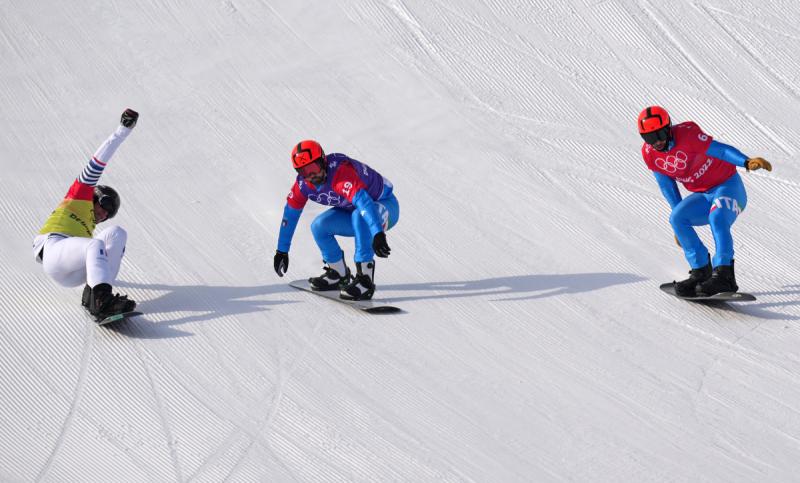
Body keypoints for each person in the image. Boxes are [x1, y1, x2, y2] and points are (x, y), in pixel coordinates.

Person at [638, 106, 772, 296]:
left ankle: (725, 276)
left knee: (717, 218)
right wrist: (681, 228)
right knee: (676, 218)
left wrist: (745, 161)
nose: (656, 141)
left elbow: (721, 151)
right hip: (704, 195)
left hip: (728, 187)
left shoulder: (687, 135)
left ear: (668, 128)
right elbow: (667, 186)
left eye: (659, 134)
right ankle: (701, 272)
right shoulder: (649, 153)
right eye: (649, 138)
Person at [33, 109, 139, 320]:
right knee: (94, 245)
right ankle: (101, 301)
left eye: (109, 213)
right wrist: (122, 131)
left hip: (73, 272)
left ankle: (97, 295)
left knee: (117, 233)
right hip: (54, 251)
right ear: (95, 196)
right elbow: (96, 164)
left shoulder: (88, 228)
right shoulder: (78, 197)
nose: (103, 214)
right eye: (104, 205)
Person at [273, 140, 399, 300]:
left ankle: (365, 280)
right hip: (355, 210)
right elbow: (289, 216)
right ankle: (338, 273)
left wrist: (377, 233)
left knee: (359, 216)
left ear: (323, 161)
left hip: (386, 206)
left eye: (313, 168)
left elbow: (364, 202)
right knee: (319, 226)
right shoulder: (303, 185)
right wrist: (282, 250)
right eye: (304, 171)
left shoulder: (340, 173)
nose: (311, 175)